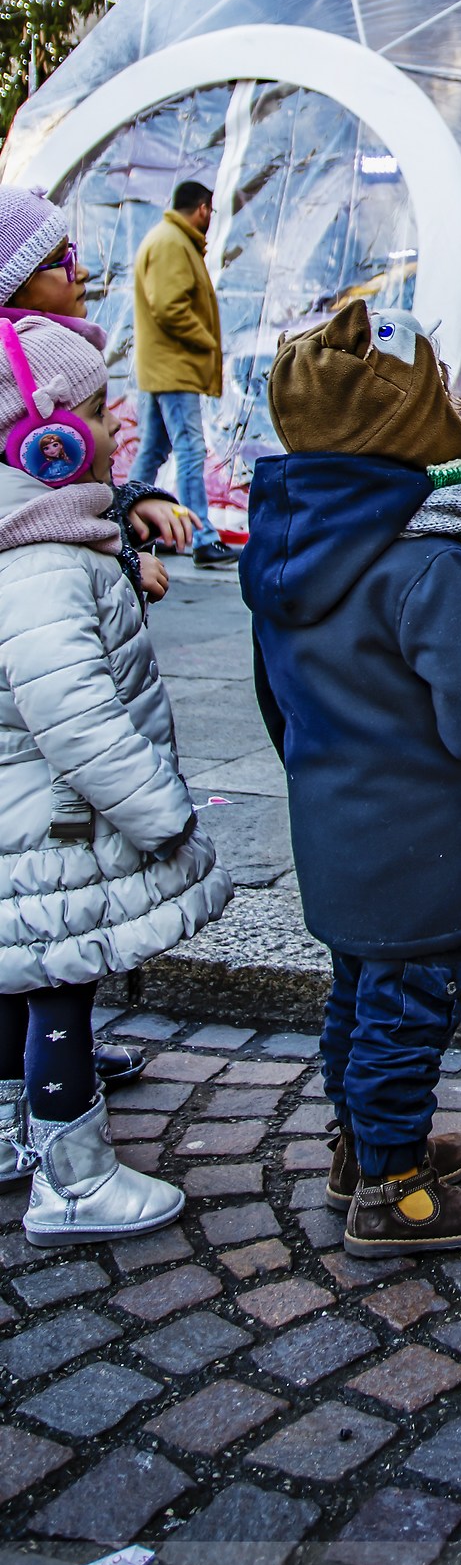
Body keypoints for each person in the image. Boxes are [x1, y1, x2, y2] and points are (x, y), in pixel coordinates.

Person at [241, 299, 461, 1255]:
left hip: (335, 835)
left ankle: (362, 1148)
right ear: (409, 420)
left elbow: (276, 705)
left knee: (360, 996)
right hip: (423, 846)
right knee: (411, 1008)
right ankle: (394, 1191)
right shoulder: (430, 566)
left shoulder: (286, 555)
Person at [0, 312, 231, 1238]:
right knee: (63, 982)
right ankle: (75, 1180)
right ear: (48, 438)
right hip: (60, 825)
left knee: (22, 976)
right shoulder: (45, 563)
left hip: (30, 818)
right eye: (100, 412)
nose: (117, 426)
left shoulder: (45, 539)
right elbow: (78, 716)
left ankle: (11, 1134)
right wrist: (161, 813)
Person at [0, 184, 194, 604]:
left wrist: (126, 504)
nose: (82, 270)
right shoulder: (16, 386)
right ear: (13, 287)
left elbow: (65, 493)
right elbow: (36, 528)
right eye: (60, 261)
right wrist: (124, 564)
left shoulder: (51, 362)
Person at [133, 180, 236, 570]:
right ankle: (203, 538)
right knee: (191, 450)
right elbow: (169, 307)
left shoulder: (169, 239)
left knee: (153, 451)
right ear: (203, 208)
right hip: (173, 368)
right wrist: (207, 341)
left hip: (164, 366)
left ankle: (126, 524)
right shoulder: (172, 243)